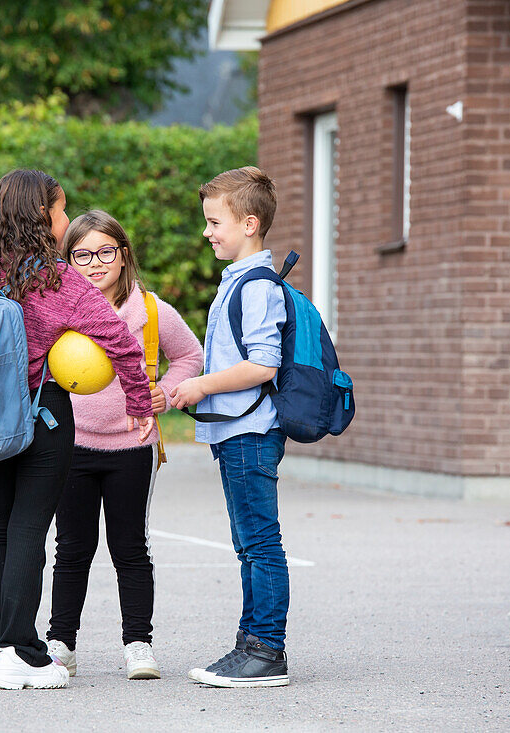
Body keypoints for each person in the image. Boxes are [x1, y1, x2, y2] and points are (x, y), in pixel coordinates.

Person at [0, 170, 155, 691]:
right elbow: (119, 340)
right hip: (43, 415)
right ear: (40, 217)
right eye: (61, 210)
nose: (67, 220)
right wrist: (140, 399)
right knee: (29, 529)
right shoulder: (60, 281)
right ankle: (21, 651)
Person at [44, 210, 203, 681]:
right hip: (72, 447)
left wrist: (166, 393)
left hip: (132, 448)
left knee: (130, 547)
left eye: (105, 251)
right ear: (67, 260)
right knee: (72, 548)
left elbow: (190, 355)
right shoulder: (57, 309)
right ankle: (61, 644)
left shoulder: (150, 311)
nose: (95, 263)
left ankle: (138, 644)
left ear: (123, 254)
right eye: (81, 254)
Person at [169, 166, 291, 688]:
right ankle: (250, 644)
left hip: (250, 433)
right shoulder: (239, 281)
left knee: (259, 542)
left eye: (214, 222)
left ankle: (265, 651)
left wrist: (200, 386)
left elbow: (264, 365)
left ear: (249, 223)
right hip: (237, 432)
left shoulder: (258, 287)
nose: (207, 232)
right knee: (248, 542)